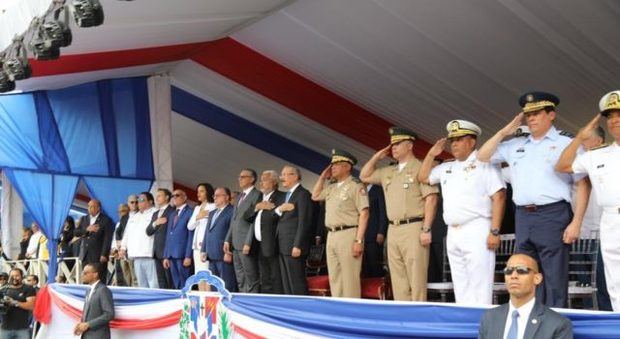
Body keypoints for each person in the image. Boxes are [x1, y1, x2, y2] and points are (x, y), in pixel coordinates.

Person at [477, 92, 589, 308]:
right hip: (523, 216)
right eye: (528, 115)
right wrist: (503, 132)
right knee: (525, 273)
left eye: (537, 113)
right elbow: (482, 155)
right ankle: (529, 323)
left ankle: (553, 325)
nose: (532, 118)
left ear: (552, 115)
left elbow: (582, 184)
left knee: (554, 276)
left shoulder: (568, 143)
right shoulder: (516, 145)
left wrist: (577, 222)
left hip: (553, 214)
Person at [418, 120, 506, 305]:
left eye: (459, 139)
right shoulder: (447, 167)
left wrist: (495, 231)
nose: (454, 144)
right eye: (452, 140)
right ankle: (466, 326)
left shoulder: (484, 163)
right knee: (460, 284)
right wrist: (431, 154)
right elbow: (423, 177)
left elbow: (498, 196)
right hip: (453, 230)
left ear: (472, 142)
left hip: (477, 226)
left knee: (480, 283)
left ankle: (482, 326)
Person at [555, 90, 620, 311]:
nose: (614, 121)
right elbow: (562, 166)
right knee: (614, 284)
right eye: (610, 117)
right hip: (611, 221)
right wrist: (579, 138)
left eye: (619, 115)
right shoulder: (598, 154)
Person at [360, 127, 439, 301]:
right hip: (393, 229)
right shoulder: (389, 171)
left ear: (410, 145)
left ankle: (418, 319)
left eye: (398, 144)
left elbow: (431, 199)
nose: (393, 147)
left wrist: (426, 229)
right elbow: (364, 176)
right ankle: (403, 316)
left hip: (414, 227)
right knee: (397, 278)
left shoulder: (420, 167)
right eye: (392, 144)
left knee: (416, 278)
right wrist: (376, 157)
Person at [312, 149, 369, 298]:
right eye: (332, 165)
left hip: (348, 233)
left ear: (348, 167)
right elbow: (315, 195)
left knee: (350, 277)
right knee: (335, 277)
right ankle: (338, 308)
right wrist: (322, 178)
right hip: (331, 234)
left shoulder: (356, 185)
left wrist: (359, 240)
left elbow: (364, 213)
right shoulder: (331, 187)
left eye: (337, 164)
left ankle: (353, 311)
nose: (333, 167)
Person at [478, 254, 572, 339]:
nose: (513, 276)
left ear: (537, 278)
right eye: (508, 271)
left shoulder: (557, 324)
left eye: (522, 270)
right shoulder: (489, 318)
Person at [275, 165, 313, 295]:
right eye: (282, 174)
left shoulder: (303, 194)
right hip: (283, 244)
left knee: (296, 281)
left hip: (294, 246)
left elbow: (305, 222)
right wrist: (280, 209)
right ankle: (290, 307)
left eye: (285, 174)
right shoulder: (287, 195)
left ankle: (301, 309)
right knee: (286, 282)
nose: (281, 178)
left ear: (295, 176)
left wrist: (298, 245)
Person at [225, 169, 261, 293]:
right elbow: (234, 220)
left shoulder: (257, 195)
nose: (240, 179)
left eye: (243, 177)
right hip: (235, 243)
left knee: (251, 276)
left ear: (252, 179)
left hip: (246, 242)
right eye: (239, 177)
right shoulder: (240, 196)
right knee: (240, 276)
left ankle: (252, 303)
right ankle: (242, 300)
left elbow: (254, 221)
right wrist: (227, 240)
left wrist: (249, 242)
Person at [251, 171, 284, 294]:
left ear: (274, 182)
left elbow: (279, 216)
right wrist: (257, 207)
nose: (261, 182)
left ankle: (276, 301)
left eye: (264, 180)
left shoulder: (281, 196)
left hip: (273, 243)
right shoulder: (260, 198)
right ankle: (266, 299)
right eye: (261, 180)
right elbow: (247, 216)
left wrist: (272, 210)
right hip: (258, 243)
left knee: (275, 275)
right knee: (264, 276)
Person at [201, 187, 237, 292]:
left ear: (226, 197)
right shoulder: (212, 213)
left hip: (224, 253)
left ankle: (227, 306)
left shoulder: (232, 211)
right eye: (214, 196)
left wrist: (229, 251)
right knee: (213, 283)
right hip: (211, 253)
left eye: (218, 195)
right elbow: (207, 232)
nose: (215, 198)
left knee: (227, 284)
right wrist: (204, 250)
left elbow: (233, 232)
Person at [120, 192, 158, 288]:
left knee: (153, 284)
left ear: (150, 201)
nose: (139, 203)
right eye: (138, 201)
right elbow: (127, 233)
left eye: (142, 200)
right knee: (141, 285)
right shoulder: (134, 216)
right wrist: (123, 248)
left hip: (149, 255)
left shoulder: (156, 213)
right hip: (135, 255)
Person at [75, 200, 114, 283]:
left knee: (99, 278)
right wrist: (86, 229)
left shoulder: (106, 220)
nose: (89, 208)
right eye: (88, 206)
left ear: (98, 208)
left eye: (92, 206)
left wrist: (104, 254)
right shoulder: (84, 219)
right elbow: (76, 233)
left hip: (98, 254)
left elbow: (108, 238)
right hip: (85, 254)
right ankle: (87, 295)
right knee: (86, 277)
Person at [162, 190, 194, 289]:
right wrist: (166, 256)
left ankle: (187, 302)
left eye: (177, 195)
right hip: (171, 255)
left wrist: (188, 255)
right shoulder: (172, 214)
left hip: (183, 255)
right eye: (173, 196)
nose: (174, 197)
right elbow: (168, 235)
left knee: (185, 282)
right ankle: (180, 302)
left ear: (185, 197)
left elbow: (191, 236)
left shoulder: (190, 212)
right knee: (176, 282)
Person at [74, 263, 114, 339]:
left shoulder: (103, 290)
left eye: (85, 273)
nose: (83, 275)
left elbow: (109, 314)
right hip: (87, 335)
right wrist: (80, 325)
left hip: (99, 335)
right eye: (83, 272)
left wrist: (88, 324)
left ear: (95, 274)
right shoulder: (88, 290)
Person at [187, 183, 216, 291]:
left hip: (205, 245)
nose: (198, 193)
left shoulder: (213, 206)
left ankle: (207, 298)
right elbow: (190, 226)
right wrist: (198, 217)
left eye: (202, 191)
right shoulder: (197, 208)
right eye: (198, 191)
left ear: (208, 192)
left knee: (206, 273)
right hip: (196, 246)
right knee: (198, 274)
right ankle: (201, 297)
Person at [146, 188, 176, 289]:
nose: (157, 198)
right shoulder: (155, 214)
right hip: (157, 252)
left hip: (167, 252)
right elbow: (148, 231)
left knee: (170, 280)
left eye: (159, 196)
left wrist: (167, 254)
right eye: (156, 196)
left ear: (167, 197)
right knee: (161, 280)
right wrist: (156, 223)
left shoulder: (173, 211)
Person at [0, 268, 36, 339]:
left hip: (22, 329)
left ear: (22, 276)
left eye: (17, 276)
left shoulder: (28, 288)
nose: (14, 278)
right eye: (12, 276)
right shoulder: (3, 289)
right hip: (5, 328)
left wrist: (14, 302)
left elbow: (32, 306)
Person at [362, 183, 388, 278]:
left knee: (375, 265)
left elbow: (383, 212)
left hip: (374, 234)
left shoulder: (378, 189)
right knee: (365, 267)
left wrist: (381, 232)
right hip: (361, 236)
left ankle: (378, 290)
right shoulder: (360, 190)